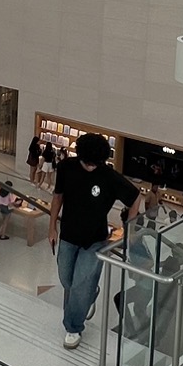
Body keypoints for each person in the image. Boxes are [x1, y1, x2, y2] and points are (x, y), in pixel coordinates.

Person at [49, 134, 140, 350]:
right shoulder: (66, 167)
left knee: (80, 284)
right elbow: (58, 196)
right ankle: (91, 294)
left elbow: (135, 197)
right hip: (68, 235)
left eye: (94, 164)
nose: (90, 167)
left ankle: (73, 327)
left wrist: (131, 228)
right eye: (86, 163)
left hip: (96, 240)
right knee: (66, 279)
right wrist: (52, 226)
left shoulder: (109, 176)